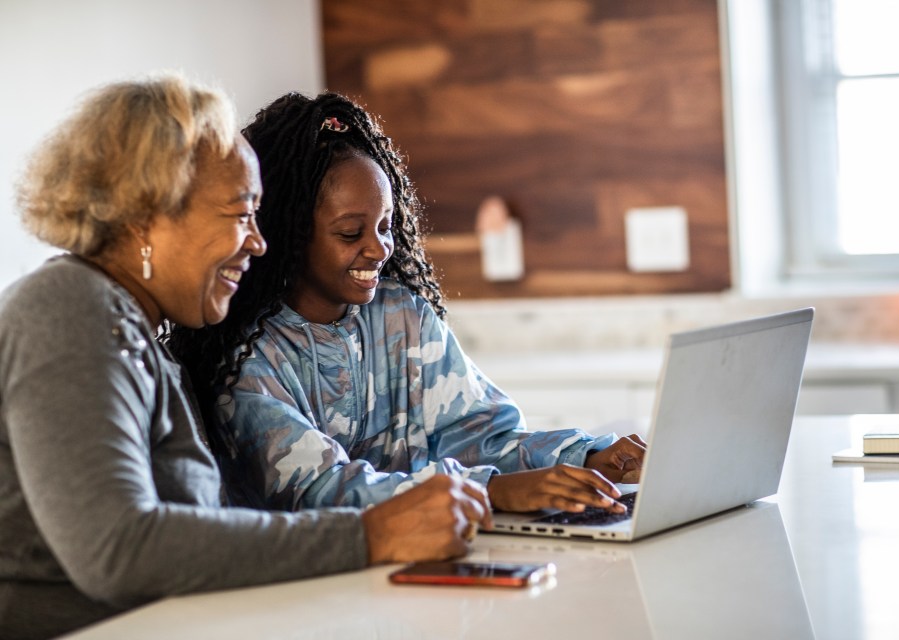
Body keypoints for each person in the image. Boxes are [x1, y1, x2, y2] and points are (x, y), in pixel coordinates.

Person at [0, 74, 491, 640]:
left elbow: (201, 539)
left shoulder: (136, 334)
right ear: (144, 216)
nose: (259, 242)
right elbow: (118, 550)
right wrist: (370, 536)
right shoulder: (67, 310)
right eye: (239, 214)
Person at [168, 91, 646, 518]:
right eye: (351, 233)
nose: (379, 250)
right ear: (289, 235)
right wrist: (493, 492)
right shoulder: (249, 357)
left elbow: (480, 434)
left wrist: (586, 455)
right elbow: (321, 490)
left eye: (386, 226)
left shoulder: (402, 315)